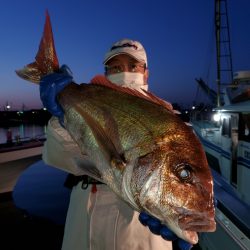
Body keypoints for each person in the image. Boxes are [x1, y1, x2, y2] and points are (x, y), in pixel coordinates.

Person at [40, 39, 192, 250]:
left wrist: (192, 204)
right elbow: (57, 156)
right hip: (84, 212)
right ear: (106, 74)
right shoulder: (89, 109)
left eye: (133, 66)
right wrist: (63, 117)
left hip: (139, 230)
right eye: (116, 67)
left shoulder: (172, 123)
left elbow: (191, 171)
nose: (125, 73)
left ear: (146, 73)